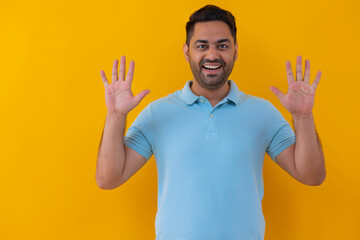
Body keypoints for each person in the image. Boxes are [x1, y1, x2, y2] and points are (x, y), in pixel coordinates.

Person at [96, 4, 326, 240]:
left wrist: (303, 117)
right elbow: (109, 178)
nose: (212, 55)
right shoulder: (158, 113)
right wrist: (115, 116)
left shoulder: (262, 113)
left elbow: (311, 175)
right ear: (187, 52)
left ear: (235, 50)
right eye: (202, 46)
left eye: (222, 45)